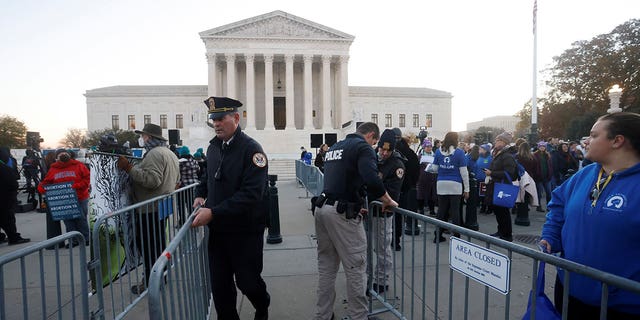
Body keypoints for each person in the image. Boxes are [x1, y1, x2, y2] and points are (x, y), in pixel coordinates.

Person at [540, 112, 640, 319]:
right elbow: (558, 204)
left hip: (620, 306)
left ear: (617, 141)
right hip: (569, 293)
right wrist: (550, 236)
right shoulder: (585, 174)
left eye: (594, 136)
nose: (586, 141)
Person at [191, 96, 271, 320]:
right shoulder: (214, 148)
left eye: (220, 118)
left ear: (236, 118)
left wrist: (213, 212)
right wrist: (200, 195)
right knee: (221, 289)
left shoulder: (252, 150)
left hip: (245, 231)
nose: (215, 123)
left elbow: (251, 195)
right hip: (218, 231)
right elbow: (207, 177)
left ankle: (262, 304)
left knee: (248, 282)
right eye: (213, 119)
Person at [313, 122, 398, 320]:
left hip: (323, 208)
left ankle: (322, 315)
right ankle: (359, 316)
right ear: (370, 135)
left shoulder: (335, 147)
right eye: (375, 142)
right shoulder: (362, 147)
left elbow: (340, 179)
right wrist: (388, 200)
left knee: (327, 268)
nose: (375, 147)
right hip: (342, 214)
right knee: (356, 269)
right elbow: (371, 178)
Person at [116, 123, 180, 295]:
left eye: (143, 136)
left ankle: (152, 280)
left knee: (149, 246)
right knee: (158, 244)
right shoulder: (168, 153)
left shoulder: (154, 154)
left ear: (149, 137)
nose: (142, 139)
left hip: (150, 208)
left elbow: (152, 180)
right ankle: (161, 276)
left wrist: (129, 168)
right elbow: (177, 180)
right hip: (161, 205)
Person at [370, 129, 404, 291]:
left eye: (387, 151)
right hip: (369, 211)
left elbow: (392, 192)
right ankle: (370, 277)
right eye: (381, 149)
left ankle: (382, 281)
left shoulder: (397, 165)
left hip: (383, 213)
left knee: (383, 249)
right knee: (369, 248)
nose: (383, 153)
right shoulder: (374, 159)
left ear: (393, 150)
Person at [38, 148, 91, 247]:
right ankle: (73, 241)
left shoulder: (79, 166)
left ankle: (85, 239)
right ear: (57, 157)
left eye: (64, 153)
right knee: (68, 221)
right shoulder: (53, 169)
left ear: (69, 155)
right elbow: (46, 182)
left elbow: (87, 179)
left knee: (81, 219)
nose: (63, 154)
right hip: (65, 200)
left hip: (80, 197)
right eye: (60, 153)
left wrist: (76, 187)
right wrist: (42, 188)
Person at [427, 132, 470, 242]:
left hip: (441, 183)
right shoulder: (460, 153)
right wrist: (467, 189)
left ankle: (438, 235)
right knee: (455, 212)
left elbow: (435, 169)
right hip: (455, 184)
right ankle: (456, 237)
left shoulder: (438, 152)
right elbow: (464, 173)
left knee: (441, 211)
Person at [483, 132, 518, 242]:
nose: (495, 142)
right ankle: (501, 231)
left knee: (503, 211)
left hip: (502, 186)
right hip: (496, 185)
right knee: (498, 210)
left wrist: (491, 173)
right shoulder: (499, 154)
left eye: (498, 140)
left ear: (504, 142)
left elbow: (509, 173)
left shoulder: (507, 156)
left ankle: (507, 235)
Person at [0, 147, 30, 245]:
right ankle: (13, 237)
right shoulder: (4, 168)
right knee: (8, 219)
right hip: (5, 199)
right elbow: (12, 184)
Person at [416, 139, 437, 217]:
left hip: (432, 178)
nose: (429, 148)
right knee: (421, 194)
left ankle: (432, 210)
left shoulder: (434, 155)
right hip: (422, 178)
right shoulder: (420, 156)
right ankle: (420, 209)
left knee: (432, 195)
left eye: (430, 146)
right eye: (427, 146)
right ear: (424, 147)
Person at [532, 141, 554, 212]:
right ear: (538, 147)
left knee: (549, 193)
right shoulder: (535, 155)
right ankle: (539, 206)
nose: (542, 147)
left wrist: (550, 173)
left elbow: (550, 165)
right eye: (541, 146)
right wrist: (535, 174)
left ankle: (549, 206)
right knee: (539, 193)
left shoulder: (548, 155)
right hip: (539, 177)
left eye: (543, 146)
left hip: (547, 177)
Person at [476, 144, 493, 214]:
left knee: (487, 195)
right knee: (481, 195)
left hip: (486, 179)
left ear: (485, 150)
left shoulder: (490, 158)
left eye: (481, 149)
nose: (479, 150)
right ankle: (482, 208)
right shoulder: (478, 157)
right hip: (478, 179)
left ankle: (489, 208)